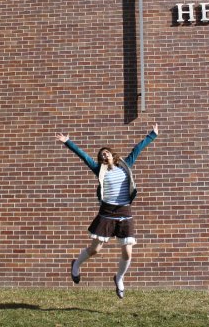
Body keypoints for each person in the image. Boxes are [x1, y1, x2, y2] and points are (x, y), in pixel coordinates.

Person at [55, 124, 158, 299]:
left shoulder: (125, 165)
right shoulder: (99, 169)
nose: (104, 154)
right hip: (107, 212)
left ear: (112, 154)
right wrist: (67, 142)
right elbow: (84, 156)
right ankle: (76, 265)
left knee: (128, 252)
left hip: (124, 211)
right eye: (102, 154)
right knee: (95, 249)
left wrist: (152, 135)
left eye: (107, 152)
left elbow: (137, 149)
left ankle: (119, 278)